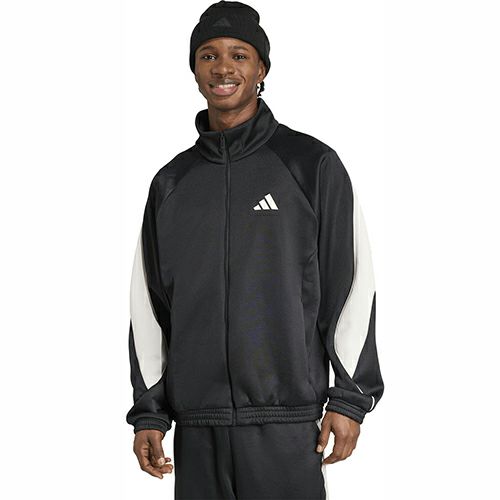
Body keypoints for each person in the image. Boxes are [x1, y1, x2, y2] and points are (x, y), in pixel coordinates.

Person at [126, 1, 384, 498]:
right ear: (194, 69)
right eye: (208, 55)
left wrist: (349, 398)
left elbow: (351, 284)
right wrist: (149, 413)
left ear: (261, 68)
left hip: (285, 425)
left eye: (239, 55)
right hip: (198, 428)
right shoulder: (171, 183)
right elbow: (149, 306)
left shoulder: (311, 165)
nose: (223, 68)